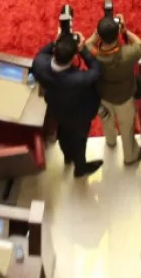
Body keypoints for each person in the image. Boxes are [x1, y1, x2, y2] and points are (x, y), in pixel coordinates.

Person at [32, 34, 104, 178]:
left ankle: (68, 157)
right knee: (79, 140)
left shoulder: (39, 64)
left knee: (63, 135)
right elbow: (97, 70)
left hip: (56, 110)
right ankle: (80, 168)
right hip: (78, 115)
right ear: (73, 58)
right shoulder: (78, 79)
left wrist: (57, 42)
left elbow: (42, 53)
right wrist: (83, 50)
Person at [86, 16, 141, 165]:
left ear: (99, 36)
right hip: (124, 97)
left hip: (103, 96)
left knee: (107, 121)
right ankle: (130, 156)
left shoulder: (94, 55)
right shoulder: (128, 54)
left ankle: (111, 141)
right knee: (127, 128)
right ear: (117, 33)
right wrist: (125, 30)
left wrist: (96, 35)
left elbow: (87, 43)